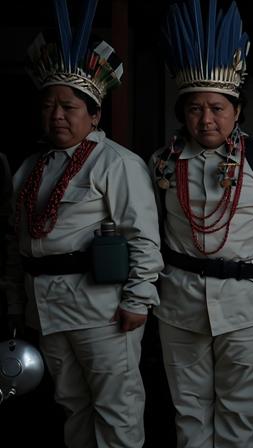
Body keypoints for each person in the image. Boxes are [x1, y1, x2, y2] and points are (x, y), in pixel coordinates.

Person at [7, 0, 162, 446]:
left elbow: (142, 237)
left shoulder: (116, 162)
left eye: (70, 106)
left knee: (117, 405)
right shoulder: (31, 166)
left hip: (101, 308)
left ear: (94, 114)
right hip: (47, 306)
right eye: (50, 105)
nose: (58, 115)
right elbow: (16, 240)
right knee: (71, 403)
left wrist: (137, 299)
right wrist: (18, 303)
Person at [152, 1, 253, 446]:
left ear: (237, 110)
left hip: (247, 306)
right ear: (182, 113)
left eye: (217, 108)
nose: (206, 119)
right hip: (180, 304)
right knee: (188, 411)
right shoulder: (162, 163)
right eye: (194, 109)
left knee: (242, 413)